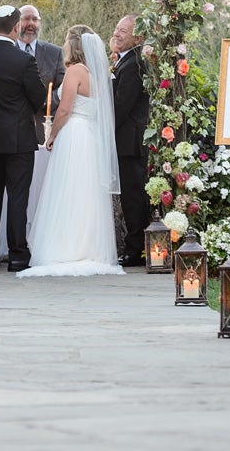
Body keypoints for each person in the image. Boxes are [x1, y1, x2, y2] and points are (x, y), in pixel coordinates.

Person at [17, 26, 122, 277]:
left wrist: (51, 135)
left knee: (68, 189)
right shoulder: (97, 74)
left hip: (74, 133)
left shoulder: (75, 71)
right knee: (86, 193)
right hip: (90, 137)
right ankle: (88, 246)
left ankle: (66, 247)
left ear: (73, 45)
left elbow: (64, 109)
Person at [0, 4, 47, 272]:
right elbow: (39, 98)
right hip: (18, 139)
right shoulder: (24, 61)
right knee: (17, 197)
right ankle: (17, 255)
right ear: (16, 27)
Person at [112, 14, 150, 267]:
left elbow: (120, 106)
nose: (116, 34)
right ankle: (135, 246)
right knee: (129, 195)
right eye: (116, 29)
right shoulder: (125, 61)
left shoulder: (136, 64)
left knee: (134, 196)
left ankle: (136, 249)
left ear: (137, 37)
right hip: (124, 140)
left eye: (123, 31)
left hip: (130, 141)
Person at [17, 4, 66, 145]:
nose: (31, 23)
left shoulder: (55, 53)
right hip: (13, 128)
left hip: (43, 127)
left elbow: (63, 87)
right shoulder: (7, 51)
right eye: (26, 19)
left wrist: (47, 101)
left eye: (35, 19)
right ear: (17, 23)